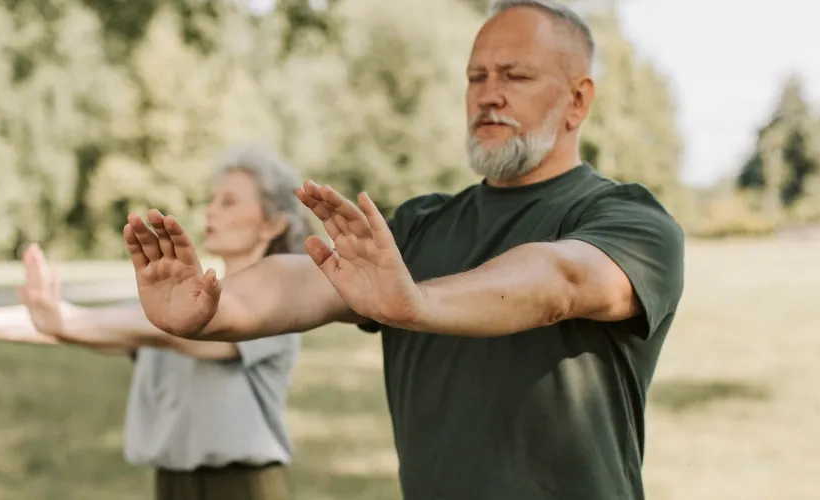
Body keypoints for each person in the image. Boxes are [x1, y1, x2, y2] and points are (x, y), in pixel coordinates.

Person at [121, 1, 686, 499]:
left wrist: (417, 303)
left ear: (577, 100)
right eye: (476, 76)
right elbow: (302, 280)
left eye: (515, 75)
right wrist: (214, 311)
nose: (489, 95)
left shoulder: (630, 221)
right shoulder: (420, 226)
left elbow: (561, 282)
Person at [0, 144, 311, 500]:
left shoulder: (276, 303)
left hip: (244, 487)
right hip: (172, 482)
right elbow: (100, 325)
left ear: (272, 225)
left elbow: (184, 335)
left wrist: (64, 321)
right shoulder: (176, 302)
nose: (211, 210)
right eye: (213, 199)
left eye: (229, 202)